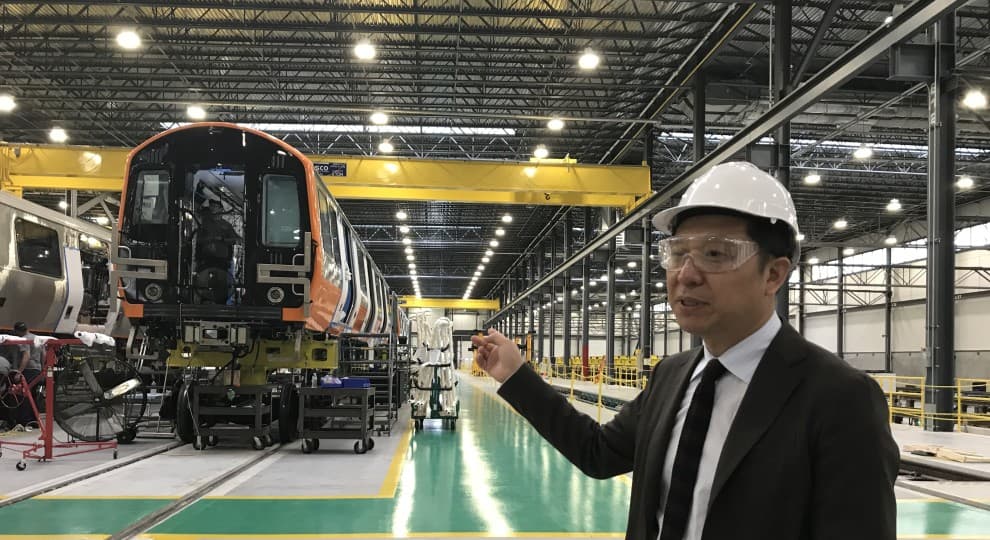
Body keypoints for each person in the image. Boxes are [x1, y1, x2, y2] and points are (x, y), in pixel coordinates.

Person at [471, 162, 899, 540]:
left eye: (715, 254)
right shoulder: (671, 375)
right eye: (677, 254)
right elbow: (597, 453)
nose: (686, 275)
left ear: (773, 274)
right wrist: (517, 375)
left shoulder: (838, 399)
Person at [12, 321, 42, 426]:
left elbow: (26, 355)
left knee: (24, 394)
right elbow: (44, 353)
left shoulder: (24, 339)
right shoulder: (36, 338)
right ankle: (35, 420)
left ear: (17, 331)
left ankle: (25, 420)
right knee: (33, 395)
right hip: (37, 369)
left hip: (28, 369)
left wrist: (19, 372)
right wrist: (42, 368)